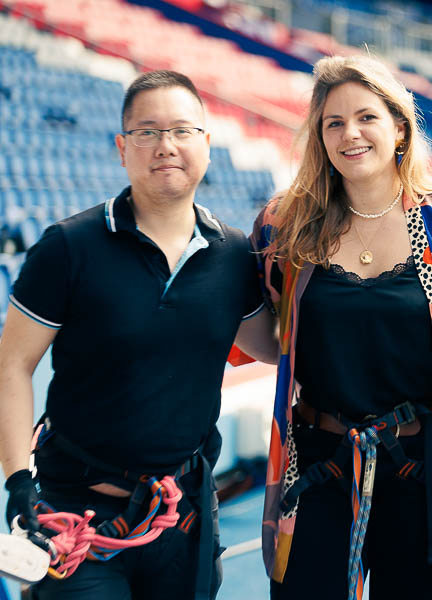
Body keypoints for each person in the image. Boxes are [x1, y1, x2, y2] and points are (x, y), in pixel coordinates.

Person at [0, 70, 277, 599]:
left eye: (181, 130)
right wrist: (18, 484)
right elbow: (12, 366)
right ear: (122, 148)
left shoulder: (234, 255)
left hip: (186, 516)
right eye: (148, 132)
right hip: (76, 517)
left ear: (207, 145)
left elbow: (277, 345)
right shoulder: (68, 248)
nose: (166, 146)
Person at [250, 54, 432, 600]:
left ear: (400, 128)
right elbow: (266, 332)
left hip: (420, 468)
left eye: (367, 118)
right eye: (333, 123)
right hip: (317, 463)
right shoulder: (283, 226)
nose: (349, 134)